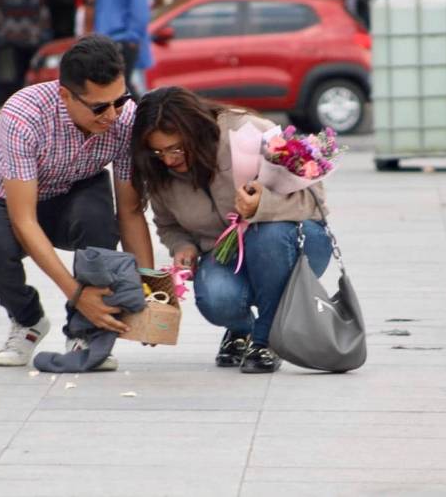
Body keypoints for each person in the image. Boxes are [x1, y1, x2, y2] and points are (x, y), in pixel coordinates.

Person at [0, 35, 154, 368]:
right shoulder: (24, 115)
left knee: (98, 219)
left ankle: (85, 332)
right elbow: (24, 220)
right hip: (11, 200)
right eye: (99, 106)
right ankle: (28, 321)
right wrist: (78, 295)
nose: (112, 115)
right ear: (65, 94)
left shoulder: (125, 119)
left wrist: (151, 292)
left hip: (77, 191)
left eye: (119, 100)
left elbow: (130, 211)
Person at [130, 87, 333, 373]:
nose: (168, 159)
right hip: (226, 252)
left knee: (267, 235)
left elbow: (315, 200)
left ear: (196, 131)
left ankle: (267, 339)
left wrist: (262, 206)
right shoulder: (160, 171)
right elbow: (168, 224)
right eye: (158, 151)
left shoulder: (247, 133)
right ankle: (244, 330)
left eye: (176, 148)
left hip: (294, 244)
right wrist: (182, 246)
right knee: (215, 299)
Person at [94, 0, 151, 100]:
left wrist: (133, 36)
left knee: (131, 93)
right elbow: (101, 7)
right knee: (113, 95)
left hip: (124, 40)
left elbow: (140, 5)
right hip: (105, 42)